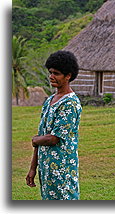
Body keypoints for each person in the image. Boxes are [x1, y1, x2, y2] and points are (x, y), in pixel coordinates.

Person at [26, 50, 82, 200]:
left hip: (63, 170)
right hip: (46, 170)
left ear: (68, 76)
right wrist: (33, 168)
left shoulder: (70, 103)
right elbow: (41, 136)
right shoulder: (50, 101)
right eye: (50, 72)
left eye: (56, 73)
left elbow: (53, 138)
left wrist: (35, 140)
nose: (51, 76)